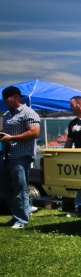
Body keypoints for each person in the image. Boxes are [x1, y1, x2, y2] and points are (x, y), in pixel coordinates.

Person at [0, 85, 41, 229]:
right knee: (5, 188)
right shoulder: (7, 115)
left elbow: (35, 132)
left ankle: (22, 219)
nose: (5, 101)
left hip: (21, 155)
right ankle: (15, 216)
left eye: (7, 98)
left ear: (16, 97)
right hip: (7, 156)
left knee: (20, 188)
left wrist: (12, 138)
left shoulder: (28, 113)